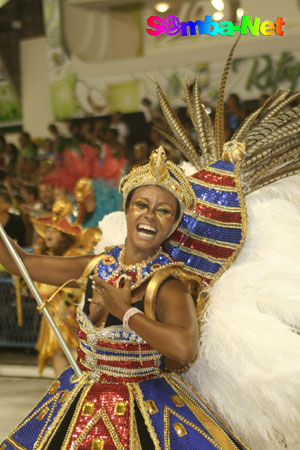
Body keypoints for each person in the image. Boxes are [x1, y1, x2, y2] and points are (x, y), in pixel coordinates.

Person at [0, 146, 247, 449]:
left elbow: (184, 349)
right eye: (141, 205)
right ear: (127, 210)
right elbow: (19, 263)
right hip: (80, 402)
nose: (150, 216)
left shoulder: (168, 285)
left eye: (163, 211)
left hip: (144, 409)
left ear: (173, 225)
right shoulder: (95, 265)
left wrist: (126, 312)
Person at [31, 199, 97, 377]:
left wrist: (63, 307)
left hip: (65, 312)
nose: (48, 235)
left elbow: (75, 286)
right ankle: (66, 390)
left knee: (72, 349)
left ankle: (82, 386)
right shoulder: (46, 256)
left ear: (64, 235)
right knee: (56, 352)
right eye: (48, 231)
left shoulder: (71, 256)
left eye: (54, 231)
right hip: (51, 311)